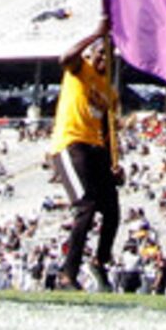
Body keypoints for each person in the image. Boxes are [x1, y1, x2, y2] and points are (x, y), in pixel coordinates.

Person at [49, 28, 124, 291]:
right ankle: (67, 275)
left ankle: (100, 262)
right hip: (71, 144)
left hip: (96, 149)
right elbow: (65, 57)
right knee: (86, 207)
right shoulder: (79, 70)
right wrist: (97, 33)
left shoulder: (110, 93)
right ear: (91, 53)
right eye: (99, 52)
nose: (103, 57)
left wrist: (115, 163)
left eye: (108, 54)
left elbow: (108, 132)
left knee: (112, 211)